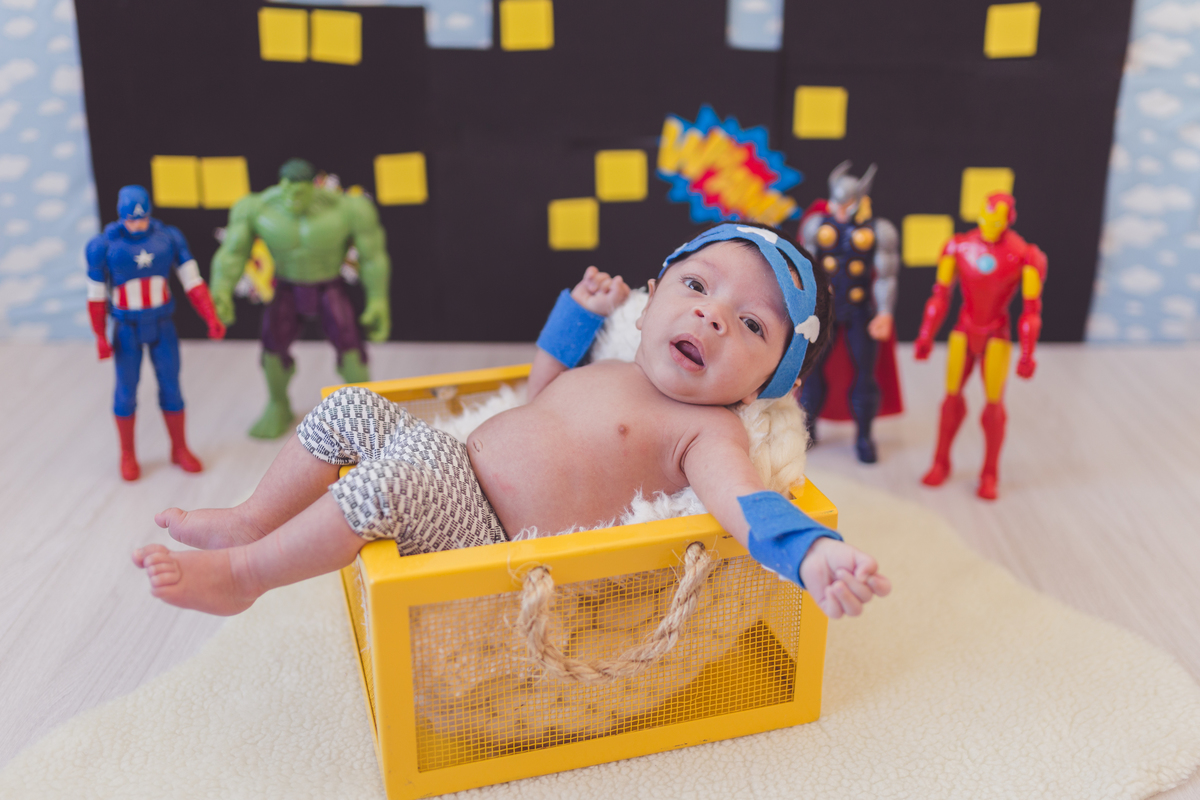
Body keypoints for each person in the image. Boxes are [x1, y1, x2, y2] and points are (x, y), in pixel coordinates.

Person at [134, 223, 891, 620]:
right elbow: (540, 390)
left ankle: (243, 577)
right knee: (353, 407)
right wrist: (575, 316)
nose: (712, 315)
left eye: (753, 326)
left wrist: (811, 554)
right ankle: (250, 519)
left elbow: (743, 504)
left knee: (391, 479)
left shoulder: (710, 432)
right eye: (696, 285)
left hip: (488, 531)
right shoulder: (619, 364)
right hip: (453, 466)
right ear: (654, 294)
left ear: (772, 382)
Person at [208, 158, 392, 439]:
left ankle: (365, 413)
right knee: (272, 349)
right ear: (280, 185)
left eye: (300, 190)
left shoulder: (347, 210)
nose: (293, 196)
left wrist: (378, 299)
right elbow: (233, 253)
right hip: (287, 287)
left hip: (329, 286)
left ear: (313, 186)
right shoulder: (258, 209)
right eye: (287, 189)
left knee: (352, 347)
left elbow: (372, 256)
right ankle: (278, 404)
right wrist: (220, 291)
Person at [86, 185, 226, 481]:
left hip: (162, 324)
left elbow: (192, 281)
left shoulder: (168, 238)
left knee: (172, 386)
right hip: (126, 327)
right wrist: (99, 335)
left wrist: (210, 316)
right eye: (131, 219)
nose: (137, 224)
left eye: (142, 218)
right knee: (126, 391)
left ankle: (179, 448)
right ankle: (127, 454)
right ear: (121, 216)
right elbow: (96, 296)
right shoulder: (104, 246)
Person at [913, 193, 1047, 500]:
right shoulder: (959, 246)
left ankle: (989, 473)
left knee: (993, 405)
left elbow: (1031, 310)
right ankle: (940, 462)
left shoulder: (1024, 255)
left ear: (1008, 220)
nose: (989, 225)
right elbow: (940, 294)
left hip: (996, 335)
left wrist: (1028, 353)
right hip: (964, 329)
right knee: (950, 400)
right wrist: (925, 334)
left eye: (996, 220)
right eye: (985, 218)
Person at [797, 161, 902, 463]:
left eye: (848, 204)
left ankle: (864, 437)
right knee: (813, 373)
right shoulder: (817, 225)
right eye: (837, 203)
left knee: (865, 376)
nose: (841, 210)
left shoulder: (879, 230)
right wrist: (808, 305)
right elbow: (808, 269)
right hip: (826, 310)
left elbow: (887, 275)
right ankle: (809, 428)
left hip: (859, 310)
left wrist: (884, 313)